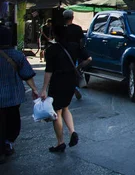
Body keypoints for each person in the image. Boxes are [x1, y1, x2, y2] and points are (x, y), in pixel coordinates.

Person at [40, 10, 92, 153]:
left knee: (56, 111)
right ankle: (72, 131)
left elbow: (48, 71)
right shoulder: (74, 47)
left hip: (57, 81)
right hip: (71, 79)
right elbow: (89, 59)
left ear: (55, 35)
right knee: (66, 108)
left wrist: (44, 88)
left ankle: (60, 142)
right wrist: (77, 68)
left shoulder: (52, 50)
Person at [0, 21, 39, 164]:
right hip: (13, 96)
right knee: (13, 122)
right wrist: (35, 90)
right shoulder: (17, 56)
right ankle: (8, 143)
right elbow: (27, 75)